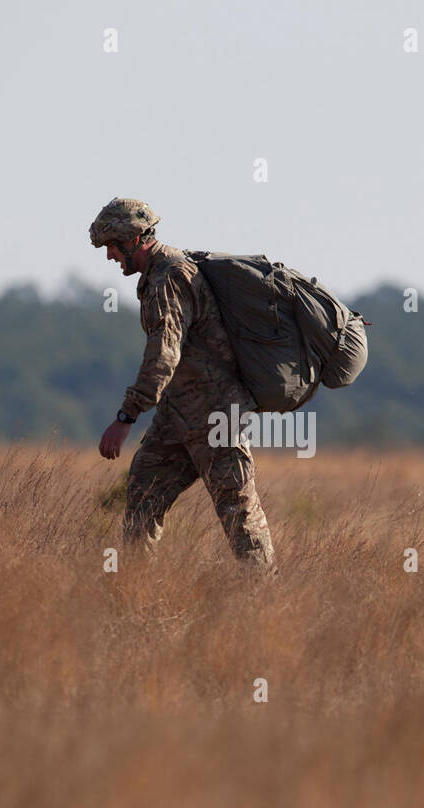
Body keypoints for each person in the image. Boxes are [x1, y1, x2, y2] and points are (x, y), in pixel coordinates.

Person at [90, 197, 275, 566]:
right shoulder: (159, 274)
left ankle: (265, 599)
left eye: (113, 245)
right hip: (178, 415)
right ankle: (134, 590)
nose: (110, 256)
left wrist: (126, 417)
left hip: (215, 415)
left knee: (237, 508)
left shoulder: (169, 277)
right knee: (144, 493)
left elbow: (164, 354)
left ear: (134, 239)